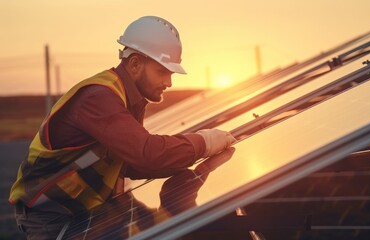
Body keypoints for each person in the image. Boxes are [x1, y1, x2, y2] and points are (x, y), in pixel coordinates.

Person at [9, 16, 236, 239]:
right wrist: (202, 143)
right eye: (162, 71)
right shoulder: (99, 97)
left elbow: (129, 163)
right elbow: (147, 155)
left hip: (83, 211)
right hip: (51, 217)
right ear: (135, 63)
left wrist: (187, 164)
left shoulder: (128, 98)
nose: (169, 82)